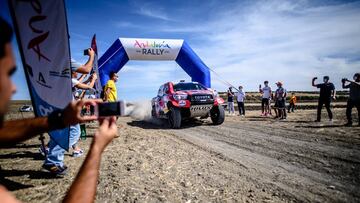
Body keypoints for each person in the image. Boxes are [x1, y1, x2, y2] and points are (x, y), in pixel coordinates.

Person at [0, 17, 118, 202]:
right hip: (62, 105)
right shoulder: (64, 60)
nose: (14, 88)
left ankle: (51, 153)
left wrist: (55, 119)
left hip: (56, 104)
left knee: (67, 130)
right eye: (7, 74)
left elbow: (83, 83)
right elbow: (86, 72)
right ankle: (53, 159)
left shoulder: (49, 63)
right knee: (72, 132)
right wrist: (97, 149)